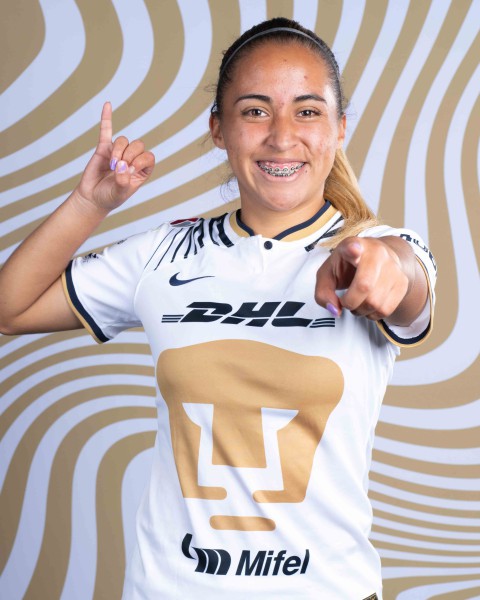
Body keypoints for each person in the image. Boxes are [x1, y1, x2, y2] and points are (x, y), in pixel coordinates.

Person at [0, 17, 436, 600]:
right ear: (218, 130)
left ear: (339, 128)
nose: (282, 136)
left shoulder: (378, 247)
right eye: (255, 111)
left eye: (307, 111)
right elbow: (10, 309)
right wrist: (89, 203)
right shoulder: (163, 253)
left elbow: (406, 282)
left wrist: (383, 265)